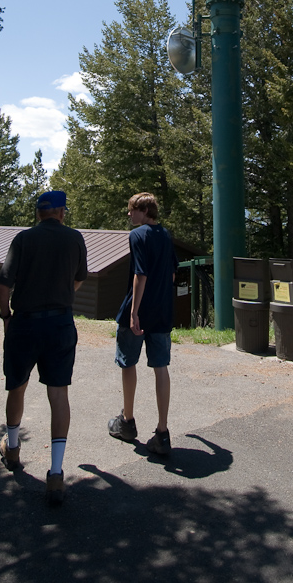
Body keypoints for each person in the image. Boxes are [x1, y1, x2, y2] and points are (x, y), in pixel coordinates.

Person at [0, 189, 87, 506]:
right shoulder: (75, 239)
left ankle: (13, 449)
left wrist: (6, 316)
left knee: (17, 387)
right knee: (58, 394)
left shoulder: (23, 239)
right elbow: (78, 280)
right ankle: (57, 473)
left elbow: (3, 286)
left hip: (25, 324)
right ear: (62, 212)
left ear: (39, 213)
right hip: (60, 324)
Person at [108, 192, 178, 455]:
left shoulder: (137, 236)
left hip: (138, 312)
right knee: (161, 367)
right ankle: (162, 432)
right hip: (162, 312)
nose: (129, 214)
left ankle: (127, 422)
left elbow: (140, 274)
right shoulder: (166, 235)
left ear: (145, 210)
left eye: (133, 209)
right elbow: (171, 273)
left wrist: (134, 312)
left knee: (128, 362)